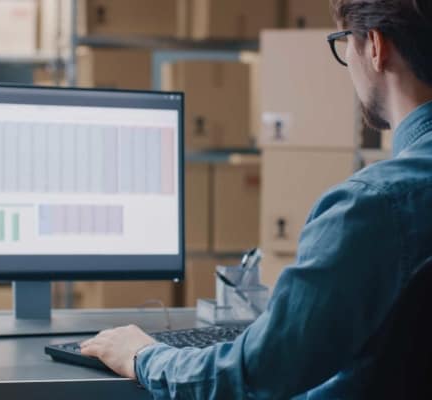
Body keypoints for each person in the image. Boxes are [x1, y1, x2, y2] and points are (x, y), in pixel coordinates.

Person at [80, 0, 432, 398]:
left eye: (343, 42)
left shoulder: (373, 207)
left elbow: (253, 376)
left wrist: (143, 356)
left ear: (375, 47)